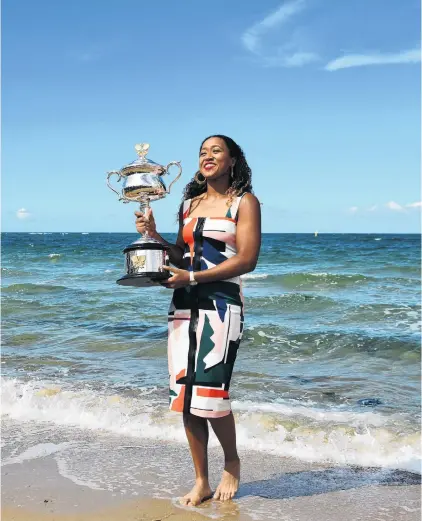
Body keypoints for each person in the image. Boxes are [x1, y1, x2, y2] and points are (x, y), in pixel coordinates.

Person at [134, 135, 261, 506]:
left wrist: (193, 277)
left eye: (216, 151)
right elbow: (182, 253)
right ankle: (201, 480)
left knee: (212, 394)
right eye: (203, 152)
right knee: (186, 396)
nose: (208, 156)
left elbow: (247, 260)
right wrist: (154, 236)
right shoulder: (189, 204)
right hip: (183, 303)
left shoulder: (244, 203)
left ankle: (232, 462)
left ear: (233, 160)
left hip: (222, 306)